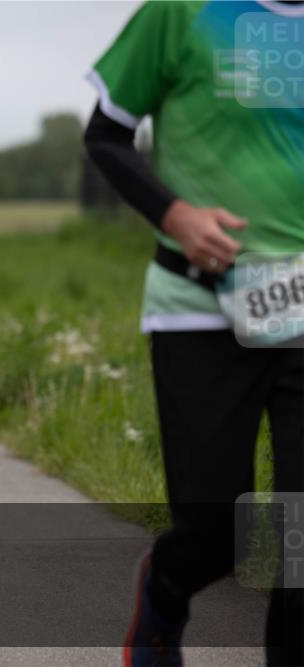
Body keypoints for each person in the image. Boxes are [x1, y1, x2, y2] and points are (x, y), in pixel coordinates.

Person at [84, 2, 303, 665]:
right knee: (214, 528)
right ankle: (167, 587)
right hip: (201, 306)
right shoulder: (180, 12)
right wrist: (174, 213)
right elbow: (106, 136)